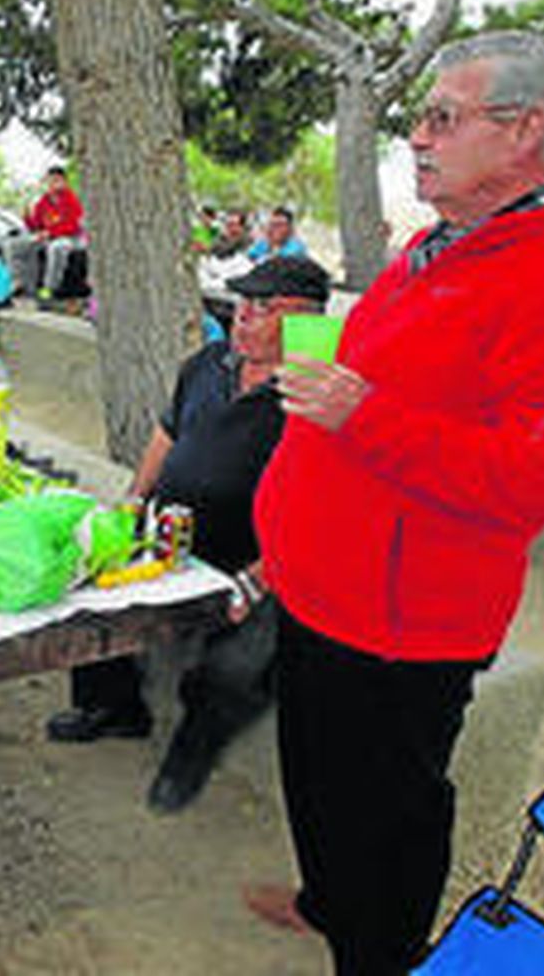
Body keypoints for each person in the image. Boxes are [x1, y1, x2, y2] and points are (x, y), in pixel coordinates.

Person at [246, 31, 544, 974]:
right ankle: (326, 901)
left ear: (525, 131)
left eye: (442, 116)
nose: (416, 136)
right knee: (317, 781)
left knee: (390, 813)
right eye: (421, 117)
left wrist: (365, 415)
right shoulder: (434, 244)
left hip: (401, 621)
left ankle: (375, 950)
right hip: (318, 586)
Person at [44, 256, 332, 814]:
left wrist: (261, 575)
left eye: (263, 309)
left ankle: (191, 756)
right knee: (91, 577)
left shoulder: (312, 395)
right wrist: (133, 500)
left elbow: (324, 506)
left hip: (247, 557)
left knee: (238, 661)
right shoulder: (208, 363)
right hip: (170, 531)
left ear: (305, 320)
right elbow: (167, 433)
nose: (243, 318)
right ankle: (113, 708)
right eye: (242, 305)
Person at [24, 165, 87, 297]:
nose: (53, 184)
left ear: (64, 182)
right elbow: (36, 226)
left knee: (57, 248)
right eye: (50, 181)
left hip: (70, 238)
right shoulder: (44, 201)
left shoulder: (71, 199)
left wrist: (50, 233)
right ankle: (24, 286)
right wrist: (27, 216)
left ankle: (50, 287)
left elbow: (72, 225)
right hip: (50, 237)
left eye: (56, 181)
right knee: (21, 244)